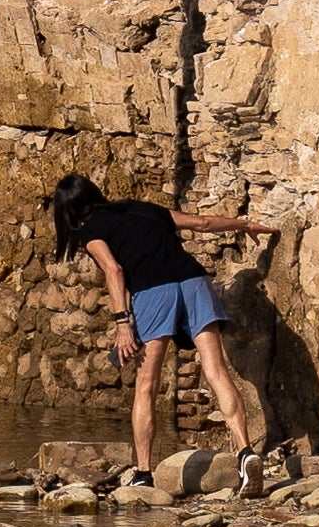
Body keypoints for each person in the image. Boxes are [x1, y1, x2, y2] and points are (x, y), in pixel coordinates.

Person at [49, 175, 274, 482]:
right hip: (195, 282)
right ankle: (246, 452)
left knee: (147, 384)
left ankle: (143, 472)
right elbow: (203, 223)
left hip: (155, 292)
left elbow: (113, 270)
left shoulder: (90, 229)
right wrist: (244, 225)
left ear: (66, 212)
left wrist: (122, 324)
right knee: (216, 371)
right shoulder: (143, 207)